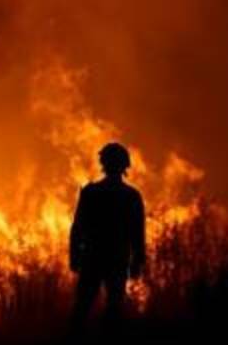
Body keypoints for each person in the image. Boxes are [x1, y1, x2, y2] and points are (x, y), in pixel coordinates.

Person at [68, 142, 146, 333]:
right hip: (116, 258)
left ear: (103, 163)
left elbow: (78, 228)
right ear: (125, 165)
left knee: (84, 306)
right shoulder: (131, 196)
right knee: (112, 306)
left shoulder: (91, 192)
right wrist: (137, 261)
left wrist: (75, 255)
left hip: (94, 256)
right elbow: (137, 233)